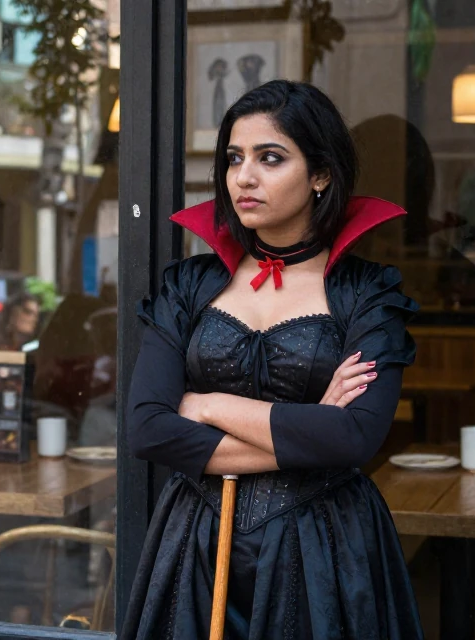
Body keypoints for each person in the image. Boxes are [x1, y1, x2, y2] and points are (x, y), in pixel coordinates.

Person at [122, 80, 423, 639]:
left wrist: (205, 403)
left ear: (320, 174)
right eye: (235, 158)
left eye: (271, 158)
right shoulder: (189, 285)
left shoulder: (367, 295)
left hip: (322, 549)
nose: (244, 177)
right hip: (195, 546)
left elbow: (355, 437)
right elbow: (146, 430)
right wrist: (311, 434)